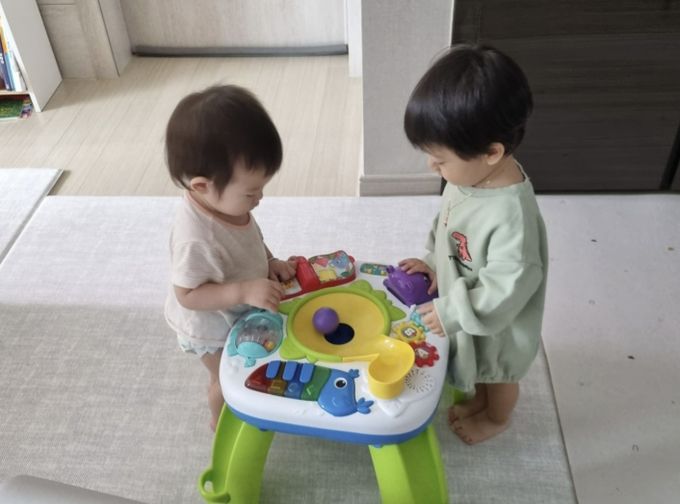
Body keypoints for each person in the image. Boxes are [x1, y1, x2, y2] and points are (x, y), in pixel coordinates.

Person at [398, 44, 548, 444]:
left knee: (496, 375)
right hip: (468, 305)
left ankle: (496, 418)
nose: (432, 166)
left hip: (498, 322)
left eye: (440, 159)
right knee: (476, 370)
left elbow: (507, 288)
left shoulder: (511, 216)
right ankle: (479, 400)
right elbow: (448, 225)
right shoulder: (469, 176)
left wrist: (452, 310)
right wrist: (434, 261)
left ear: (491, 152)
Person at [164, 85, 297, 431]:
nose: (260, 199)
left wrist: (270, 261)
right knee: (228, 378)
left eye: (262, 188)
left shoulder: (225, 202)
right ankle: (219, 422)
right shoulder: (196, 239)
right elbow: (187, 294)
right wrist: (243, 291)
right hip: (211, 326)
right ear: (202, 186)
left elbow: (249, 238)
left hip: (239, 299)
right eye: (251, 193)